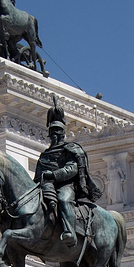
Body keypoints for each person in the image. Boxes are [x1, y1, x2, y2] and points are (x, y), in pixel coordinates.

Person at [34, 96, 102, 247]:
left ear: (63, 134)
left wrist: (54, 175)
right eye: (52, 132)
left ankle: (69, 231)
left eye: (58, 132)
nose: (55, 135)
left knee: (64, 200)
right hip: (46, 186)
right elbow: (38, 175)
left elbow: (72, 169)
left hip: (66, 186)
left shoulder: (70, 149)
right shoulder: (44, 154)